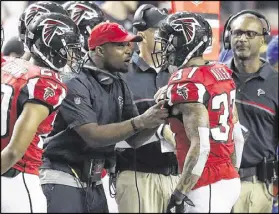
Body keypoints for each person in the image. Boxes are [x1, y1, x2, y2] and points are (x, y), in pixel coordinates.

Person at [39, 21, 169, 213]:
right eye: (120, 45)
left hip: (95, 181)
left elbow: (134, 139)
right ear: (99, 51)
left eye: (129, 45)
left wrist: (159, 115)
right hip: (63, 177)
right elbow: (92, 135)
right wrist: (141, 121)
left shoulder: (119, 83)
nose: (129, 50)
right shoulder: (74, 83)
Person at [152, 11, 245, 213]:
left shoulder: (185, 81)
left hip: (204, 182)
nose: (165, 49)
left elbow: (202, 146)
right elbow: (238, 136)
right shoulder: (220, 72)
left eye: (168, 43)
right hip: (228, 178)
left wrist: (179, 194)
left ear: (183, 43)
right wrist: (230, 174)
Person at [1, 12, 82, 213]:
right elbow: (14, 151)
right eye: (69, 49)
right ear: (53, 47)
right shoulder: (46, 82)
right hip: (17, 180)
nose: (74, 56)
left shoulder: (7, 65)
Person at [115, 4, 179, 213]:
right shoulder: (122, 74)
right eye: (160, 31)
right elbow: (109, 130)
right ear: (141, 35)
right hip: (137, 175)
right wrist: (159, 131)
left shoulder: (178, 72)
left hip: (176, 176)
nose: (166, 37)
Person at [221, 10, 279, 213]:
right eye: (237, 33)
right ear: (228, 37)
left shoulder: (275, 84)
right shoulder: (214, 77)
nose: (242, 39)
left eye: (250, 34)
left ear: (263, 38)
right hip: (214, 183)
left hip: (255, 186)